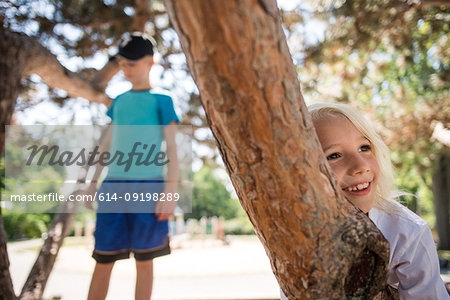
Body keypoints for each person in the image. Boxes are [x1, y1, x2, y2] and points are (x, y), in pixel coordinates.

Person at [282, 103, 448, 299]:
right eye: (334, 155)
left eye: (364, 147)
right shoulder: (294, 232)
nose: (361, 166)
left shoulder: (407, 232)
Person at [86, 32, 179, 300]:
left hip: (149, 187)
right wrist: (92, 183)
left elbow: (172, 148)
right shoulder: (119, 101)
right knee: (103, 260)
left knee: (144, 260)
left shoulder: (163, 99)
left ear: (150, 62)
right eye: (123, 64)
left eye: (132, 64)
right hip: (113, 186)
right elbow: (105, 145)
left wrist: (170, 192)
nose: (126, 70)